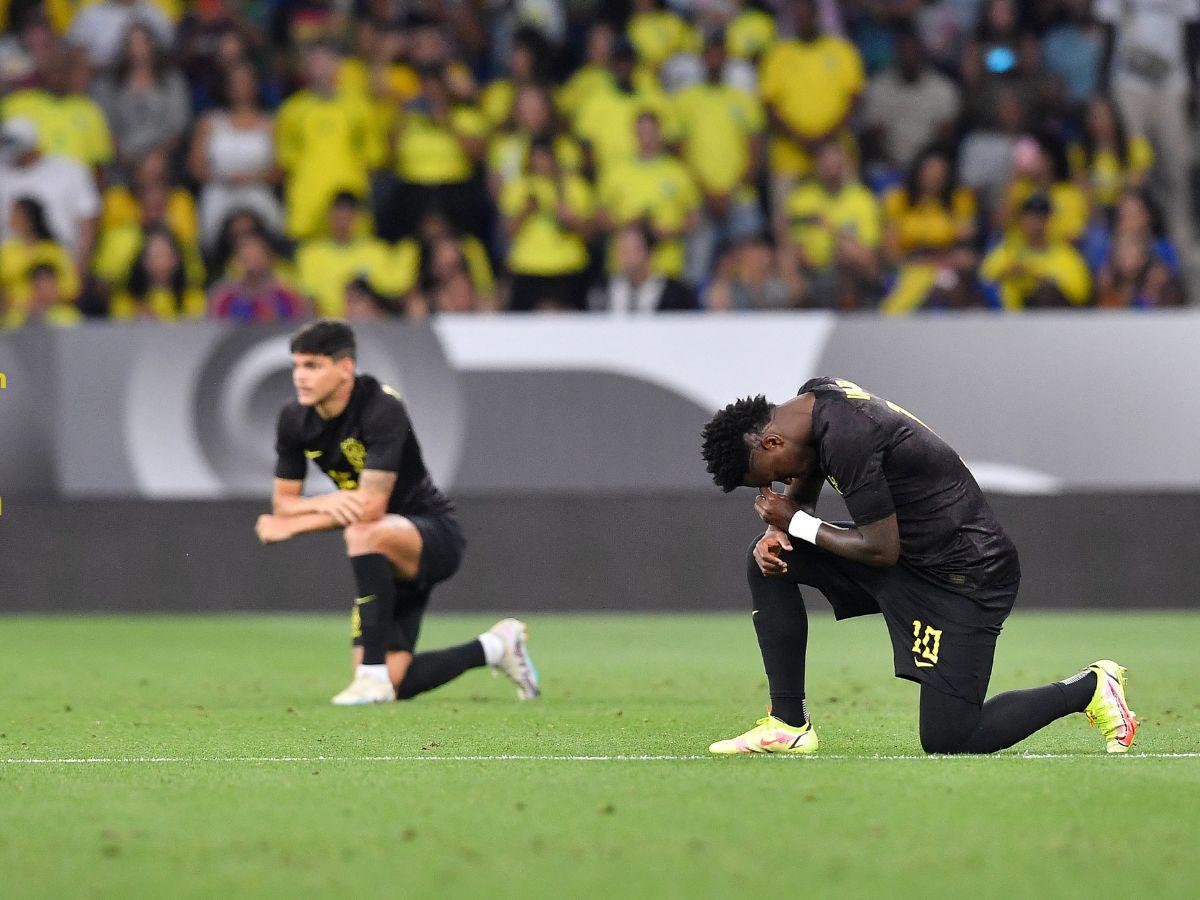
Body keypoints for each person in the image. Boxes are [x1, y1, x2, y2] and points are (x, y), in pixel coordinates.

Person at [698, 379, 1139, 755]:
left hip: (965, 575)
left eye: (766, 477)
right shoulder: (815, 400)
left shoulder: (850, 436)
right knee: (770, 557)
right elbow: (809, 470)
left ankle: (1091, 687)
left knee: (951, 736)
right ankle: (789, 725)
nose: (772, 488)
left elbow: (879, 548)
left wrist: (793, 519)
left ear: (772, 441)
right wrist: (783, 530)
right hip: (913, 556)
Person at [254, 319, 540, 705]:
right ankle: (495, 647)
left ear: (345, 368)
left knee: (361, 533)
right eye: (296, 366)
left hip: (430, 534)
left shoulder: (379, 407)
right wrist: (321, 502)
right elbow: (283, 503)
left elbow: (368, 509)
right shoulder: (293, 419)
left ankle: (370, 675)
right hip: (382, 560)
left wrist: (293, 528)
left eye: (313, 366)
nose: (300, 377)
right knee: (397, 684)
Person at [673, 33, 766, 286]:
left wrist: (729, 192)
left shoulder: (743, 100)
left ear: (726, 57)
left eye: (719, 53)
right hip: (700, 198)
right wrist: (708, 193)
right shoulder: (686, 100)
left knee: (750, 271)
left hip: (739, 197)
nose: (714, 58)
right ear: (702, 58)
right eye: (709, 53)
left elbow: (755, 155)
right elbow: (680, 156)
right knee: (696, 271)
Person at [188, 61, 284, 252]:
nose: (241, 88)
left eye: (246, 82)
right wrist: (225, 178)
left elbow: (280, 171)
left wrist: (251, 179)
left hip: (257, 191)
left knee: (273, 230)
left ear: (255, 86)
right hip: (219, 191)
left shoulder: (271, 124)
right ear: (226, 87)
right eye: (235, 83)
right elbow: (196, 167)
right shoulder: (210, 122)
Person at [500, 137, 594, 312]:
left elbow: (590, 235)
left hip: (567, 266)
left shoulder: (575, 187)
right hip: (527, 267)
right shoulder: (518, 187)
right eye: (537, 157)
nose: (541, 162)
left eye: (545, 156)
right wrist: (525, 212)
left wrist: (571, 220)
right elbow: (508, 232)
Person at [0, 117, 101, 276]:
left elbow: (88, 220)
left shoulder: (70, 170)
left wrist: (80, 269)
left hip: (61, 265)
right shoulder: (2, 173)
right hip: (9, 268)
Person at [92, 23, 191, 181]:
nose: (137, 49)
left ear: (152, 44)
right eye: (131, 43)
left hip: (163, 162)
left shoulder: (172, 81)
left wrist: (157, 157)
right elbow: (102, 126)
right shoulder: (108, 85)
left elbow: (178, 127)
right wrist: (126, 157)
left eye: (142, 42)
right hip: (122, 162)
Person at [980, 193, 1092, 309]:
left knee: (1047, 294)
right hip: (1006, 317)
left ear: (1050, 221)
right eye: (1030, 217)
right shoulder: (1007, 250)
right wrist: (1005, 273)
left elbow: (1080, 293)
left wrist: (1036, 277)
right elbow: (984, 278)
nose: (1036, 224)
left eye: (1041, 218)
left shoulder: (1066, 255)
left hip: (1051, 320)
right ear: (1021, 221)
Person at [208, 229, 308, 322]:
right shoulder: (223, 297)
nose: (251, 258)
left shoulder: (287, 294)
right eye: (245, 253)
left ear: (269, 257)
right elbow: (212, 329)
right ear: (236, 259)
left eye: (256, 253)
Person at [589, 225, 693, 314]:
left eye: (634, 250)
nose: (628, 257)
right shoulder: (603, 289)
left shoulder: (675, 292)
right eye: (623, 250)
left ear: (650, 253)